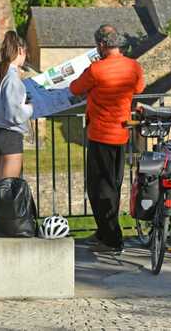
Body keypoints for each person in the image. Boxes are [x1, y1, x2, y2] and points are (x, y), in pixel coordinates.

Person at [70, 24, 144, 253]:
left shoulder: (96, 70)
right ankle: (105, 232)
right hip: (121, 134)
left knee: (98, 188)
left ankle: (111, 239)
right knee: (113, 184)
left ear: (101, 45)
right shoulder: (133, 67)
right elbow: (139, 88)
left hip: (100, 134)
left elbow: (74, 88)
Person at [0, 31, 33, 232]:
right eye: (25, 53)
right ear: (20, 50)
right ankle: (4, 230)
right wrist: (30, 108)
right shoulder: (12, 78)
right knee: (8, 188)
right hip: (10, 135)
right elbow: (15, 115)